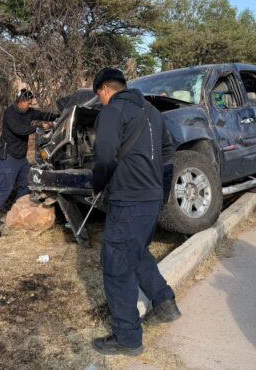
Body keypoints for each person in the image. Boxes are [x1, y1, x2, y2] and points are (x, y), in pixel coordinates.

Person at [90, 68, 179, 356]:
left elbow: (105, 156)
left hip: (128, 200)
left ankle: (127, 338)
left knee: (117, 266)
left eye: (99, 96)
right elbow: (168, 154)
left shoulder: (112, 111)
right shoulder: (152, 112)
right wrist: (159, 190)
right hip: (151, 199)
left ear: (104, 90)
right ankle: (165, 302)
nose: (100, 101)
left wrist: (97, 185)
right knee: (137, 252)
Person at [0, 89, 58, 229]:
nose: (29, 105)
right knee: (5, 187)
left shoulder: (29, 112)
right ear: (20, 101)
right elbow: (19, 130)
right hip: (8, 157)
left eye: (30, 103)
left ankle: (16, 211)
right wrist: (39, 126)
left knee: (26, 184)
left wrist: (60, 115)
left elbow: (43, 114)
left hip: (21, 158)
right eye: (27, 103)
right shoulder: (9, 113)